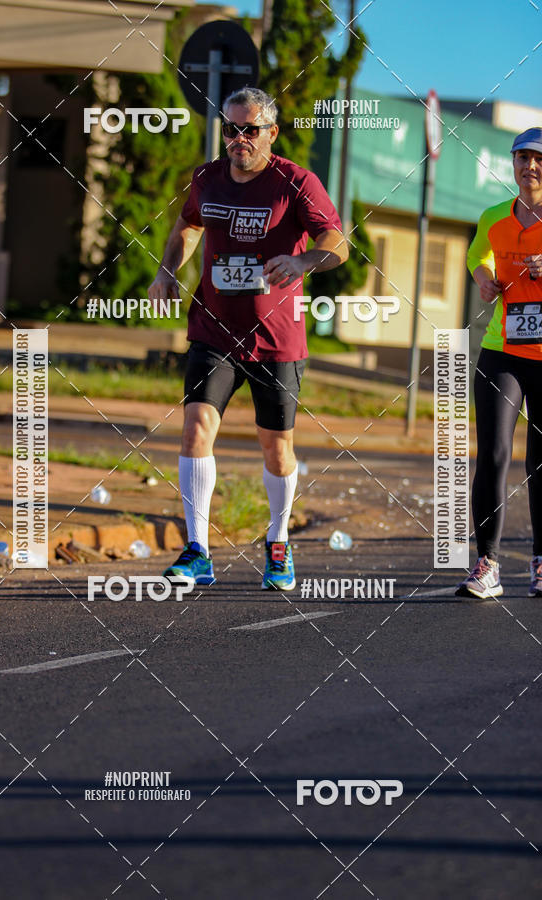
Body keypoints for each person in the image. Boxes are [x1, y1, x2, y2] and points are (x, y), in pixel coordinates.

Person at [148, 87, 347, 591]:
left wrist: (302, 261)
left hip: (276, 339)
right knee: (195, 428)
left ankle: (278, 543)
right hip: (214, 328)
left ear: (271, 133)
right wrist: (166, 271)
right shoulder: (207, 178)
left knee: (276, 450)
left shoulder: (296, 182)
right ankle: (197, 550)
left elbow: (338, 243)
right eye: (231, 128)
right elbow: (187, 225)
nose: (238, 138)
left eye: (249, 130)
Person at [457, 126, 542, 599]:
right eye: (521, 158)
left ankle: (541, 562)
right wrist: (484, 277)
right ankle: (486, 564)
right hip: (502, 349)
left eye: (538, 159)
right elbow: (477, 254)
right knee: (491, 454)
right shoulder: (494, 215)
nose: (529, 167)